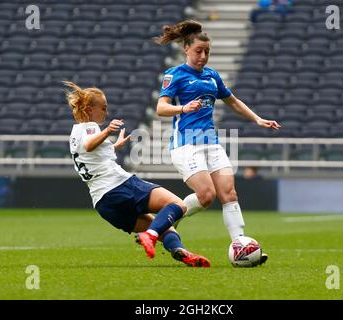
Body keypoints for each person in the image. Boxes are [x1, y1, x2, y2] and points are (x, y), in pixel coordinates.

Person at [155, 20, 281, 264]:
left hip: (211, 142)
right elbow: (161, 108)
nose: (203, 56)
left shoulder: (212, 76)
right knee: (205, 195)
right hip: (186, 143)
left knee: (229, 193)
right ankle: (163, 221)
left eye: (207, 52)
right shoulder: (175, 75)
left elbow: (232, 101)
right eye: (198, 51)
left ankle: (240, 244)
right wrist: (183, 107)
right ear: (186, 50)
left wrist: (257, 119)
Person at [64, 81, 210, 267]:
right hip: (118, 186)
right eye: (103, 107)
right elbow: (89, 145)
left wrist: (115, 145)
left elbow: (90, 154)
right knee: (178, 205)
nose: (106, 112)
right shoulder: (90, 127)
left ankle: (179, 251)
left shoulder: (74, 133)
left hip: (103, 203)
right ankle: (149, 235)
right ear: (89, 108)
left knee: (165, 228)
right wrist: (108, 130)